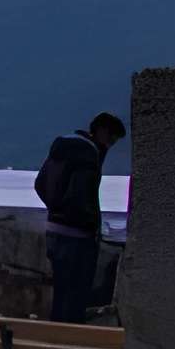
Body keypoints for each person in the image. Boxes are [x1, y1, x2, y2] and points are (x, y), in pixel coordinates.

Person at [37, 110, 126, 323]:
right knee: (77, 294)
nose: (110, 145)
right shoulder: (88, 154)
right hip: (78, 236)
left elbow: (39, 184)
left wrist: (55, 210)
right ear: (102, 131)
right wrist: (87, 223)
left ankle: (56, 335)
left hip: (54, 230)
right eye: (111, 139)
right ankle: (70, 337)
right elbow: (82, 194)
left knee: (61, 291)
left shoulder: (62, 147)